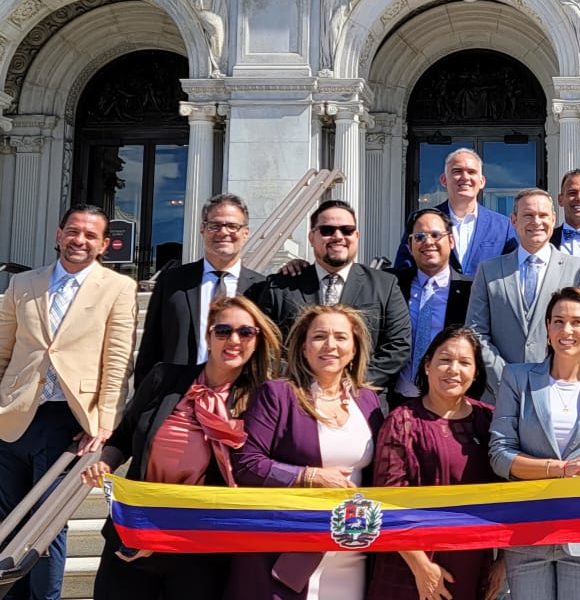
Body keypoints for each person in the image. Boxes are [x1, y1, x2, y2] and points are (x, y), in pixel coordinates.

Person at [81, 296, 281, 600]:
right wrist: (105, 462)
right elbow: (122, 437)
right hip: (136, 530)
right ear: (209, 336)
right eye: (223, 331)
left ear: (257, 340)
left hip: (199, 543)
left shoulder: (260, 399)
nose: (234, 340)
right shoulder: (165, 378)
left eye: (246, 332)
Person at [0, 204, 138, 600]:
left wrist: (105, 425)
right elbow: (4, 349)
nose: (80, 240)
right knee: (10, 519)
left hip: (70, 421)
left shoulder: (117, 288)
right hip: (15, 418)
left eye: (90, 235)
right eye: (73, 232)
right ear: (59, 234)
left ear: (103, 244)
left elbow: (117, 361)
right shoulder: (24, 284)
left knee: (47, 524)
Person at [227, 305, 387, 600]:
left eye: (341, 337)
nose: (330, 345)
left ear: (354, 348)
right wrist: (308, 475)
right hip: (289, 551)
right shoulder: (277, 394)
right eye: (319, 337)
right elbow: (247, 463)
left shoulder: (369, 401)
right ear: (303, 347)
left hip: (352, 550)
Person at [488, 287, 580, 599]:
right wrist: (561, 469)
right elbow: (500, 456)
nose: (567, 330)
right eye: (558, 321)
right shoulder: (517, 378)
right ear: (548, 330)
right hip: (528, 530)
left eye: (576, 322)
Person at [368, 326, 504, 600]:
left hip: (473, 565)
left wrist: (503, 562)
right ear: (427, 365)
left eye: (465, 362)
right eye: (444, 360)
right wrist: (421, 567)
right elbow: (387, 500)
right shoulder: (402, 421)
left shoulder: (490, 421)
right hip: (408, 565)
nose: (454, 369)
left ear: (475, 372)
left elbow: (510, 498)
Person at [254, 200, 412, 389]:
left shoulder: (385, 285)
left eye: (347, 230)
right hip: (295, 398)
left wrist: (349, 383)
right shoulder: (281, 286)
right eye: (327, 230)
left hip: (360, 398)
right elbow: (265, 345)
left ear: (357, 236)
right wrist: (302, 383)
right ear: (312, 237)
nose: (338, 236)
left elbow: (398, 347)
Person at [466, 188, 580, 404]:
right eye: (528, 215)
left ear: (553, 219)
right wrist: (506, 380)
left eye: (543, 215)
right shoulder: (488, 271)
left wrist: (553, 380)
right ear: (514, 220)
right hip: (498, 397)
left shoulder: (579, 270)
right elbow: (476, 331)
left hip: (558, 392)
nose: (536, 221)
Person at [135, 193, 266, 387]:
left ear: (245, 233)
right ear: (203, 229)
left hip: (240, 396)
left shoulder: (261, 288)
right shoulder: (172, 282)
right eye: (215, 225)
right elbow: (150, 346)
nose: (223, 232)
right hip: (178, 396)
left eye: (232, 226)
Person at [389, 208, 474, 405]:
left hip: (450, 404)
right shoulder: (391, 284)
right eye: (419, 237)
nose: (428, 242)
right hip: (396, 400)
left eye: (436, 235)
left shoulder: (471, 290)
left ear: (451, 241)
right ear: (410, 246)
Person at [394, 148, 517, 276]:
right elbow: (404, 269)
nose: (465, 177)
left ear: (482, 182)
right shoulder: (422, 220)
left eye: (471, 172)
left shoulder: (503, 226)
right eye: (457, 171)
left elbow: (513, 274)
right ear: (444, 180)